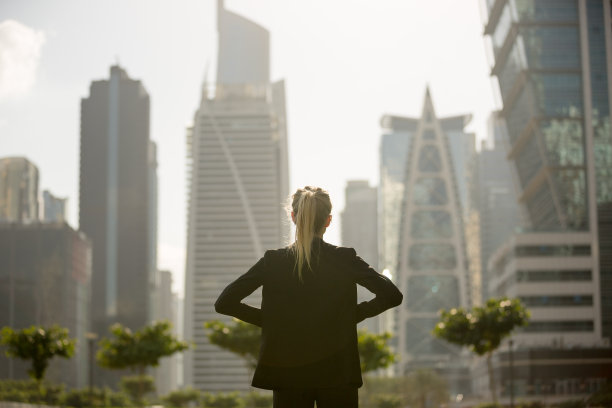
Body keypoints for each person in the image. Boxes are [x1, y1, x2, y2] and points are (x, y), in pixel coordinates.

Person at [215, 186, 403, 408]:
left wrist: (272, 320)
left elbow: (224, 302)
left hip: (288, 373)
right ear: (328, 220)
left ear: (293, 217)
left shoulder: (274, 261)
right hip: (338, 372)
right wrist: (352, 315)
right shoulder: (344, 258)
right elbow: (391, 295)